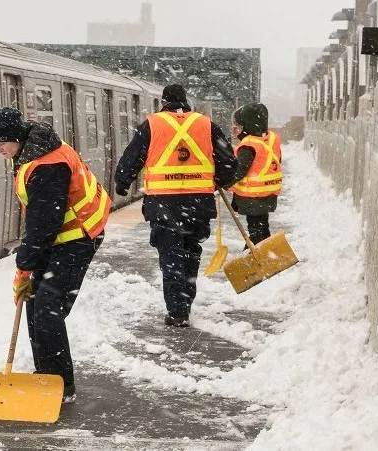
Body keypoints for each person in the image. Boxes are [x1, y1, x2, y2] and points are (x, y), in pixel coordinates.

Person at [0, 107, 111, 403]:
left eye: (4, 141)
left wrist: (24, 265)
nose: (0, 148)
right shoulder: (31, 152)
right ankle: (46, 374)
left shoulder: (46, 165)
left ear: (18, 137)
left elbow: (44, 221)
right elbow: (40, 221)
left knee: (47, 307)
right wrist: (29, 266)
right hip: (59, 238)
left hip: (79, 236)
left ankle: (60, 384)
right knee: (34, 303)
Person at [115, 84, 236, 327]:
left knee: (171, 257)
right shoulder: (206, 125)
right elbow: (229, 163)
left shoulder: (152, 124)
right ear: (187, 103)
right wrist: (219, 180)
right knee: (191, 253)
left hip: (164, 204)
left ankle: (177, 311)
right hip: (198, 204)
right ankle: (185, 303)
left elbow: (132, 157)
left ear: (163, 103)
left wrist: (122, 181)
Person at [229, 103, 281, 245]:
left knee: (255, 229)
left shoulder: (249, 145)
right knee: (262, 226)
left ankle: (255, 257)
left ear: (248, 125)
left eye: (240, 127)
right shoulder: (271, 138)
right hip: (269, 193)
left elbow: (239, 171)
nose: (238, 132)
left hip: (253, 195)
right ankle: (267, 252)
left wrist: (224, 181)